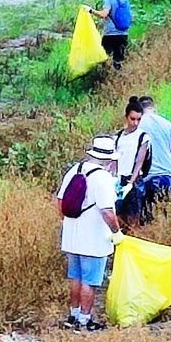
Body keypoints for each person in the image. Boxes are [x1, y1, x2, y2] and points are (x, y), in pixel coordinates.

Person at [55, 135, 123, 331]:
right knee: (90, 281)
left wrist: (68, 222)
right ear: (110, 159)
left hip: (71, 236)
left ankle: (73, 315)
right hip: (93, 239)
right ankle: (85, 320)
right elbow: (108, 212)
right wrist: (116, 233)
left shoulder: (74, 170)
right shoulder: (103, 179)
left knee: (75, 277)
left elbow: (60, 201)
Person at [136, 93, 171, 221]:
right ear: (154, 107)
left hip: (145, 180)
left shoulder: (136, 127)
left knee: (147, 220)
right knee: (168, 218)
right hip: (167, 178)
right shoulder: (167, 124)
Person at [113, 97, 152, 227]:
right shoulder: (118, 137)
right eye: (132, 119)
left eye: (138, 119)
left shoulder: (143, 137)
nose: (135, 123)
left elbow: (139, 162)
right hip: (118, 180)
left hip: (133, 181)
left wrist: (131, 182)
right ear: (126, 117)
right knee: (118, 217)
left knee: (133, 219)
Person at [89, 0, 132, 69]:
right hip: (123, 34)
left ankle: (104, 79)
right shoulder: (125, 0)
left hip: (110, 35)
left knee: (105, 59)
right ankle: (119, 79)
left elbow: (104, 14)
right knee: (119, 60)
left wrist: (90, 11)